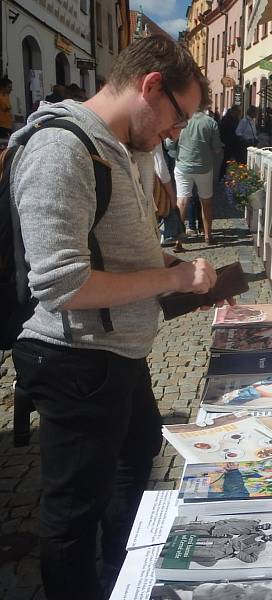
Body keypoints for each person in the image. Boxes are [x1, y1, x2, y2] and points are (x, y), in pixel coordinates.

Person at [9, 35, 226, 600]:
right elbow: (61, 283)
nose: (176, 133)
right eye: (178, 116)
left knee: (138, 451)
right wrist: (173, 280)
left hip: (117, 354)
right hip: (75, 359)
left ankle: (119, 575)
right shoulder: (62, 147)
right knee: (73, 510)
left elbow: (119, 248)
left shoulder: (120, 146)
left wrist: (173, 264)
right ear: (151, 86)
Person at [167, 110, 224, 245]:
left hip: (183, 166)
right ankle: (208, 236)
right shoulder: (210, 122)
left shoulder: (180, 120)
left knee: (182, 201)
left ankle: (178, 241)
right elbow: (217, 147)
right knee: (206, 201)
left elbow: (169, 144)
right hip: (203, 167)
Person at [219, 104, 242, 174]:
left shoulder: (236, 119)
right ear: (234, 111)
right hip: (228, 144)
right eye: (239, 111)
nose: (240, 113)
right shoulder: (226, 119)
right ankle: (222, 177)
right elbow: (223, 132)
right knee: (226, 161)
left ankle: (237, 177)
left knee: (238, 161)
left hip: (235, 143)